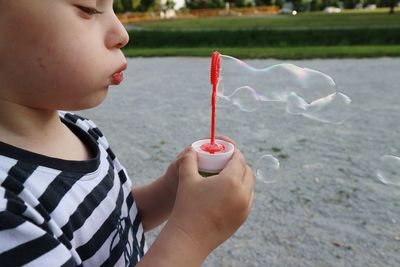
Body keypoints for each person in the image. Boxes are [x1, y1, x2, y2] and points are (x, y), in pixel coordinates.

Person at [0, 1, 254, 266]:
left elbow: (120, 218)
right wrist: (192, 234)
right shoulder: (7, 210)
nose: (122, 34)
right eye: (89, 8)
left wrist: (171, 189)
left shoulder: (81, 130)